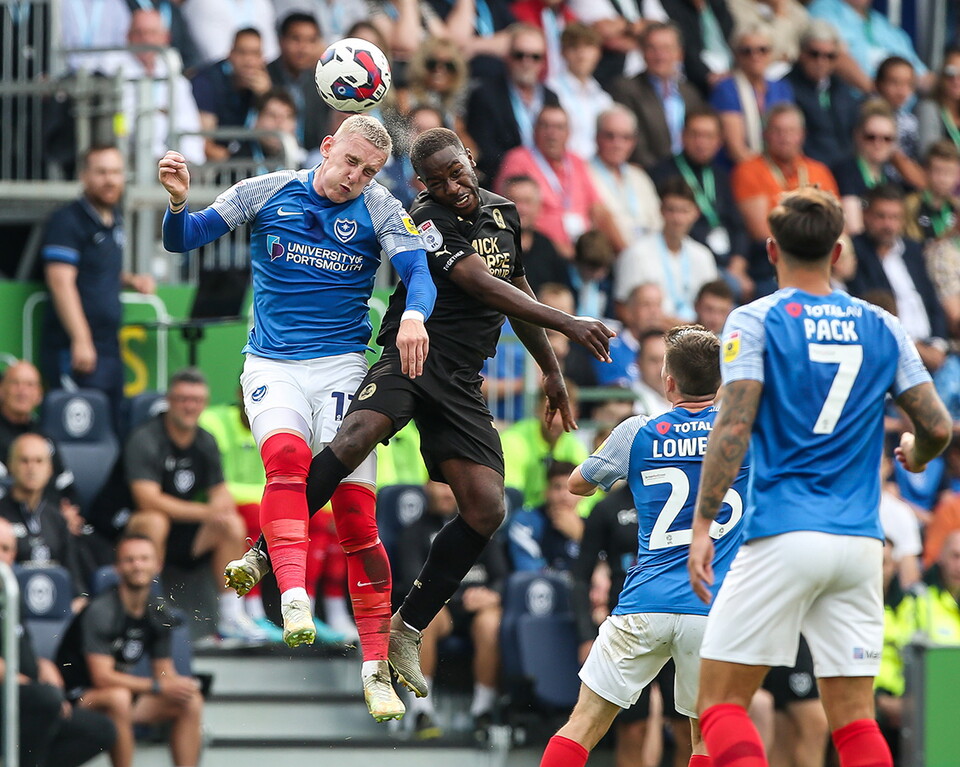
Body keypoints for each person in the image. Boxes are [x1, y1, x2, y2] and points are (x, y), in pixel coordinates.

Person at [222, 127, 614, 713]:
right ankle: (264, 551)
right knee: (355, 436)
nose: (453, 187)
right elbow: (474, 282)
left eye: (459, 173)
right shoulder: (423, 217)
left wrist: (551, 369)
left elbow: (515, 282)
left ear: (472, 160)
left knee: (487, 507)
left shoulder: (505, 214)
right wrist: (568, 321)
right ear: (422, 186)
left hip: (462, 379)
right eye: (437, 181)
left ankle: (408, 626)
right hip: (413, 355)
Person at [159, 114, 435, 720]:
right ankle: (292, 597)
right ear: (327, 147)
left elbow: (418, 271)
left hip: (342, 367)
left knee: (359, 521)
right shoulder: (265, 190)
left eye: (368, 172)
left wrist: (412, 314)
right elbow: (184, 238)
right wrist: (179, 205)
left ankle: (374, 668)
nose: (355, 179)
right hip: (272, 365)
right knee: (285, 461)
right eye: (350, 163)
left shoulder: (383, 207)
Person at [686, 186, 952, 767]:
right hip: (860, 543)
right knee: (854, 720)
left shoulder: (756, 319)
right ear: (838, 253)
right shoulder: (882, 325)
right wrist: (918, 452)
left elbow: (732, 428)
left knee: (720, 705)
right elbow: (937, 425)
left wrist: (703, 523)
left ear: (771, 249)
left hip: (783, 531)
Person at [539, 324, 750, 767]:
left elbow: (578, 484)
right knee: (706, 738)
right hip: (711, 606)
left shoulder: (638, 431)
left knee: (583, 724)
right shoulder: (742, 433)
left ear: (668, 382)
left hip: (643, 602)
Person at [123, 369, 262, 641]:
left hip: (185, 534)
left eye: (197, 400)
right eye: (183, 399)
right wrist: (206, 511)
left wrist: (218, 509)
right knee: (155, 519)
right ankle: (151, 607)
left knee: (232, 523)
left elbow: (220, 493)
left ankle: (231, 616)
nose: (190, 406)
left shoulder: (205, 440)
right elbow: (147, 499)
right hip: (133, 529)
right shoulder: (146, 438)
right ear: (170, 401)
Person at [56, 534, 204, 767]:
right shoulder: (101, 610)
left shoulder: (158, 612)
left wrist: (179, 685)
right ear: (117, 568)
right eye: (129, 560)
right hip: (75, 698)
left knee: (189, 700)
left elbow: (164, 673)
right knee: (119, 697)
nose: (137, 566)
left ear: (158, 565)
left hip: (121, 694)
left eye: (144, 559)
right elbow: (102, 677)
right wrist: (157, 686)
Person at [40, 145, 155, 423]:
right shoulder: (67, 220)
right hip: (75, 349)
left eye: (116, 172)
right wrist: (81, 339)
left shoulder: (114, 219)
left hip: (109, 348)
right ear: (84, 176)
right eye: (101, 172)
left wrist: (130, 280)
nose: (110, 180)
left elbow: (94, 270)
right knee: (78, 429)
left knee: (112, 426)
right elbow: (60, 281)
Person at [395, 480, 508, 739]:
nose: (447, 491)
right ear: (427, 489)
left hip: (478, 611)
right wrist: (459, 598)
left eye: (451, 485)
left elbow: (502, 576)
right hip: (440, 608)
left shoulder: (480, 528)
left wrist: (492, 595)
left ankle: (483, 710)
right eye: (440, 485)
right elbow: (415, 582)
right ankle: (420, 709)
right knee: (424, 617)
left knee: (492, 623)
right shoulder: (414, 532)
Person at [0, 517, 116, 767]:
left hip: (25, 696)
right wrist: (39, 689)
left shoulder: (10, 592)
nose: (2, 556)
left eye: (7, 549)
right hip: (9, 695)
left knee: (100, 730)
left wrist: (42, 666)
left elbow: (21, 646)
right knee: (45, 701)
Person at [731, 104, 838, 297]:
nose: (784, 137)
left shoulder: (819, 171)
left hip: (819, 259)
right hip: (771, 263)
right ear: (765, 134)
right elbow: (760, 230)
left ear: (802, 134)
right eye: (777, 131)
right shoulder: (749, 170)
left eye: (791, 131)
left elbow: (836, 221)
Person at [496, 104, 623, 259]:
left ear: (569, 133)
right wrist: (563, 251)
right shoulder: (518, 160)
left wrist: (624, 251)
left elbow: (599, 210)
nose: (552, 134)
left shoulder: (577, 162)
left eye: (559, 127)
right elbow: (516, 214)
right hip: (540, 253)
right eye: (545, 126)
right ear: (535, 130)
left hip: (583, 253)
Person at [847, 185, 949, 373]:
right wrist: (918, 350)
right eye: (881, 216)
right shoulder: (856, 253)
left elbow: (932, 301)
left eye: (895, 217)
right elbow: (872, 311)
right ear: (866, 215)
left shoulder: (912, 250)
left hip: (934, 351)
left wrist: (938, 345)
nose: (888, 225)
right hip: (890, 355)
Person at [651, 107, 750, 298]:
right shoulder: (663, 173)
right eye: (695, 135)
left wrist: (738, 264)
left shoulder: (721, 176)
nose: (701, 142)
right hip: (690, 261)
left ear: (719, 141)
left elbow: (738, 225)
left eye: (708, 136)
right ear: (682, 136)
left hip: (727, 263)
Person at [97, 9, 205, 166]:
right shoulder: (111, 69)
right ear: (128, 37)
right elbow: (121, 123)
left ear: (165, 38)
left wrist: (189, 162)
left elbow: (188, 125)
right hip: (125, 158)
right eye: (139, 33)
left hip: (167, 161)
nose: (146, 39)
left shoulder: (176, 79)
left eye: (152, 33)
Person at [0, 433, 87, 608]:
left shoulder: (57, 520)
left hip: (54, 613)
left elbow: (75, 585)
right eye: (24, 461)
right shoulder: (1, 515)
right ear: (11, 466)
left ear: (50, 470)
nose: (32, 468)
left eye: (39, 461)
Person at [466, 24, 560, 184]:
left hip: (547, 182)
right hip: (505, 183)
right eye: (519, 55)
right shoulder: (485, 94)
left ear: (543, 62)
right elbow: (486, 151)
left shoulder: (551, 96)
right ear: (507, 56)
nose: (527, 62)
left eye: (535, 57)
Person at [615, 177, 718, 320]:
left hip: (695, 335)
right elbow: (623, 307)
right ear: (661, 211)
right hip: (652, 335)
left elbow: (714, 305)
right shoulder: (636, 253)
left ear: (696, 213)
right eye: (671, 210)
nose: (677, 219)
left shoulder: (703, 256)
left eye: (684, 211)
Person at [609, 22, 707, 170]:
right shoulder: (626, 89)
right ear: (642, 52)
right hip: (650, 174)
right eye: (652, 48)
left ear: (679, 54)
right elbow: (636, 144)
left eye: (666, 48)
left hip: (690, 174)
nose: (659, 55)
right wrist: (662, 173)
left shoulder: (690, 93)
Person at [710, 24, 795, 166]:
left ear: (771, 53)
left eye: (762, 50)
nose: (755, 56)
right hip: (739, 170)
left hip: (778, 168)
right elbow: (736, 150)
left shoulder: (782, 88)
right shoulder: (727, 88)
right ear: (736, 55)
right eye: (746, 51)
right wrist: (767, 174)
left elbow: (792, 136)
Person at [807, 0, 932, 95]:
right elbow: (834, 54)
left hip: (899, 109)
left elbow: (922, 75)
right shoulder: (824, 9)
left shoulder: (883, 24)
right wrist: (876, 91)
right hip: (857, 104)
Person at [783, 21, 859, 171]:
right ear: (801, 53)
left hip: (846, 169)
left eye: (829, 56)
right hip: (809, 171)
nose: (821, 61)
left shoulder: (842, 88)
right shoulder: (786, 88)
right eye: (814, 54)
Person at [190, 28, 273, 161]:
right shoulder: (207, 82)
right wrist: (236, 165)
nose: (249, 61)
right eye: (242, 53)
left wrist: (265, 97)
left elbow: (276, 134)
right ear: (230, 54)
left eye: (255, 54)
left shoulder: (266, 82)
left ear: (263, 58)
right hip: (213, 167)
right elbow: (206, 145)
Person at [0, 360, 75, 503]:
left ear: (39, 395)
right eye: (15, 383)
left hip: (50, 520)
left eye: (30, 385)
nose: (23, 391)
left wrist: (69, 512)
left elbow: (68, 489)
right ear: (1, 390)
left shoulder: (45, 440)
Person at [589, 105, 663, 246]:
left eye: (626, 138)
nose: (618, 144)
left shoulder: (640, 176)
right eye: (610, 136)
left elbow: (658, 221)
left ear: (633, 142)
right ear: (597, 137)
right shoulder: (584, 173)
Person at [501, 388, 588, 508]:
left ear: (575, 415)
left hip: (561, 514)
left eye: (563, 413)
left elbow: (586, 500)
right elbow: (511, 495)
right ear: (537, 410)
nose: (556, 421)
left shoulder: (576, 447)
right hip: (523, 515)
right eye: (550, 412)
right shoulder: (513, 441)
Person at [833, 101, 901, 235]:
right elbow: (854, 229)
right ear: (857, 135)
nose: (878, 144)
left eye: (887, 138)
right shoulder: (845, 172)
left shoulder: (889, 177)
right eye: (871, 137)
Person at [547, 23, 613, 159]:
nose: (582, 55)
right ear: (563, 52)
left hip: (598, 171)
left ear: (598, 52)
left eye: (588, 47)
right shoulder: (550, 89)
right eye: (574, 47)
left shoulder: (603, 98)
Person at [266, 12, 328, 151]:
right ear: (281, 40)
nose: (303, 48)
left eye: (311, 40)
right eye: (296, 39)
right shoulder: (265, 76)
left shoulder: (322, 81)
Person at [508, 460, 584, 572]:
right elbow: (527, 569)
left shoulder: (590, 526)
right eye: (557, 487)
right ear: (546, 491)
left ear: (582, 495)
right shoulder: (525, 521)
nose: (564, 495)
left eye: (570, 489)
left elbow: (600, 570)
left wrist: (581, 536)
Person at [904, 140, 960, 244]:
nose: (943, 179)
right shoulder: (910, 206)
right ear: (926, 171)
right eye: (938, 171)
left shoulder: (957, 206)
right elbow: (914, 251)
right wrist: (953, 232)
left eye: (950, 173)